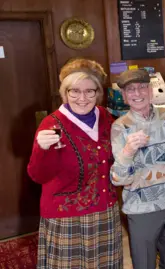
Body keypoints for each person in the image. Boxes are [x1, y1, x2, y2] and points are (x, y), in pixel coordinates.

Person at [27, 59, 122, 268]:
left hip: (105, 210)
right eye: (75, 91)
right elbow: (38, 176)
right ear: (65, 93)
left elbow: (117, 158)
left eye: (90, 91)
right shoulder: (52, 124)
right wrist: (41, 150)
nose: (82, 98)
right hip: (67, 218)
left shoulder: (106, 117)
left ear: (98, 93)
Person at [110, 69, 165, 269]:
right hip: (142, 209)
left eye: (143, 87)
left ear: (151, 91)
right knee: (144, 264)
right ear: (125, 97)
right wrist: (128, 150)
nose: (138, 93)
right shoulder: (120, 127)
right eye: (131, 90)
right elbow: (118, 179)